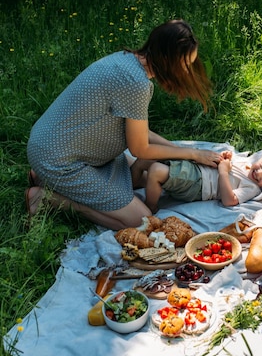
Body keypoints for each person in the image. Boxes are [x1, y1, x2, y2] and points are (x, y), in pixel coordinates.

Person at [25, 19, 222, 230]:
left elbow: (140, 133)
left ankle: (46, 178)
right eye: (183, 64)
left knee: (136, 177)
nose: (185, 71)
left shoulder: (127, 61)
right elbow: (140, 149)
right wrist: (192, 155)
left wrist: (183, 150)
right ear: (167, 58)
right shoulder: (135, 83)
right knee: (142, 221)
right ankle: (47, 198)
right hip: (60, 161)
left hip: (58, 146)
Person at [133, 150, 262, 213]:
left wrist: (223, 172)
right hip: (195, 168)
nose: (259, 173)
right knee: (143, 160)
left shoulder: (252, 187)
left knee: (155, 171)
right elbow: (228, 164)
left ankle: (150, 207)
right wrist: (226, 158)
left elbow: (229, 200)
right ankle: (132, 185)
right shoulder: (245, 164)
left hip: (198, 184)